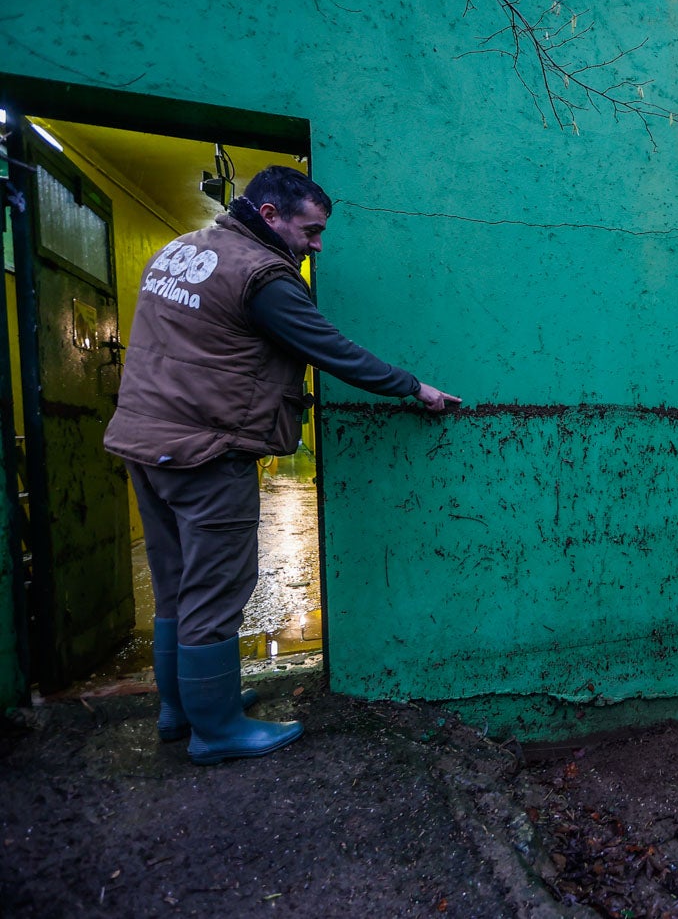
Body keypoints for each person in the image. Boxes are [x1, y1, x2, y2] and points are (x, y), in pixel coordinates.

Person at [104, 166, 461, 765]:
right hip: (207, 451)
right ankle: (217, 729)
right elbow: (329, 348)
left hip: (146, 442)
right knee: (216, 592)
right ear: (269, 215)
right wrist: (411, 386)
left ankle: (180, 709)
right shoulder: (262, 275)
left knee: (174, 586)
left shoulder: (180, 252)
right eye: (311, 230)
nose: (317, 245)